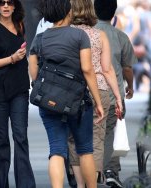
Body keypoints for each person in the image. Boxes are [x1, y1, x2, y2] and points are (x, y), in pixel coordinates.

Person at [28, 0, 104, 187]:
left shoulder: (40, 38)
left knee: (56, 150)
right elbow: (87, 69)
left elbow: (34, 70)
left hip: (49, 101)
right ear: (67, 12)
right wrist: (98, 102)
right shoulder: (79, 36)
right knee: (85, 150)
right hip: (77, 102)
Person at [0, 0, 36, 187]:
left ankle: (25, 184)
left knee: (21, 136)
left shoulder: (19, 25)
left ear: (15, 6)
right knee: (1, 140)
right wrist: (12, 59)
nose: (5, 6)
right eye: (2, 3)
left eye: (9, 2)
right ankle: (1, 184)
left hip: (18, 88)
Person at [68, 0, 123, 186]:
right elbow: (107, 70)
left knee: (74, 140)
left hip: (72, 91)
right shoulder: (100, 35)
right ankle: (94, 182)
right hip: (98, 89)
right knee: (97, 139)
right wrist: (117, 96)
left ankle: (80, 184)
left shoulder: (65, 35)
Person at [94, 0, 137, 187]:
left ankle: (90, 173)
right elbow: (127, 68)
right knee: (110, 134)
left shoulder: (86, 34)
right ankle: (110, 171)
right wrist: (130, 87)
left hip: (90, 94)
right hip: (113, 96)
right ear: (114, 14)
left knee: (93, 134)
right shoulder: (120, 36)